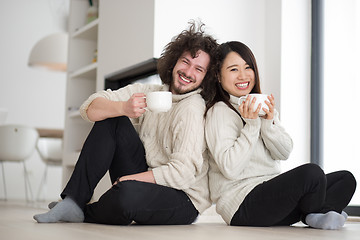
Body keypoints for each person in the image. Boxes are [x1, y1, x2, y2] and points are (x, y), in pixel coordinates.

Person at [33, 21, 218, 225]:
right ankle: (73, 201)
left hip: (183, 197)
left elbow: (182, 173)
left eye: (198, 69)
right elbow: (89, 108)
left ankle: (82, 211)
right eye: (185, 61)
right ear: (174, 61)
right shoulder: (152, 92)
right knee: (112, 119)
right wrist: (123, 108)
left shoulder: (192, 108)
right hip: (146, 179)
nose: (188, 72)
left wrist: (133, 179)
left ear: (205, 77)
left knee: (126, 195)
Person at [202, 41, 356, 230]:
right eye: (234, 69)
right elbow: (230, 168)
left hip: (273, 199)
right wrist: (251, 126)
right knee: (312, 174)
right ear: (218, 75)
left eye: (248, 67)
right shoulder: (218, 112)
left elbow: (284, 152)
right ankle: (317, 212)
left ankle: (313, 213)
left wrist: (267, 123)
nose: (243, 75)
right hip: (242, 205)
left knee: (345, 179)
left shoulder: (261, 106)